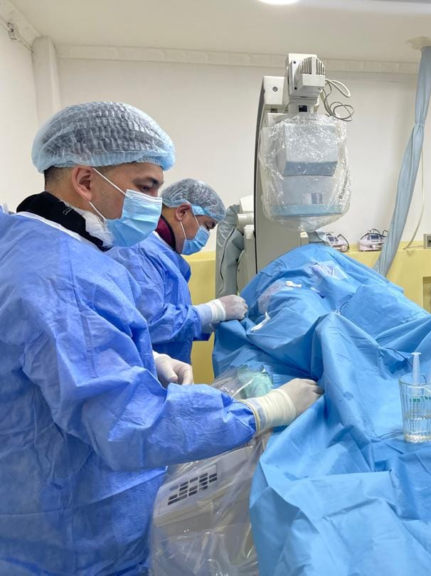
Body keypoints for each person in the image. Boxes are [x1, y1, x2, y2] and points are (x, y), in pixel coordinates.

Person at [0, 101, 323, 575]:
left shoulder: (29, 241)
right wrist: (261, 410)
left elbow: (50, 352)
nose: (155, 201)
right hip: (76, 532)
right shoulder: (64, 273)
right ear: (85, 180)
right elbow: (129, 423)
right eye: (146, 186)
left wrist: (142, 355)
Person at [109, 178, 247, 364]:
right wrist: (213, 310)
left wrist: (207, 323)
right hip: (147, 371)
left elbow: (171, 323)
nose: (206, 235)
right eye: (207, 226)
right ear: (182, 212)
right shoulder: (139, 252)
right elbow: (150, 323)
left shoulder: (165, 255)